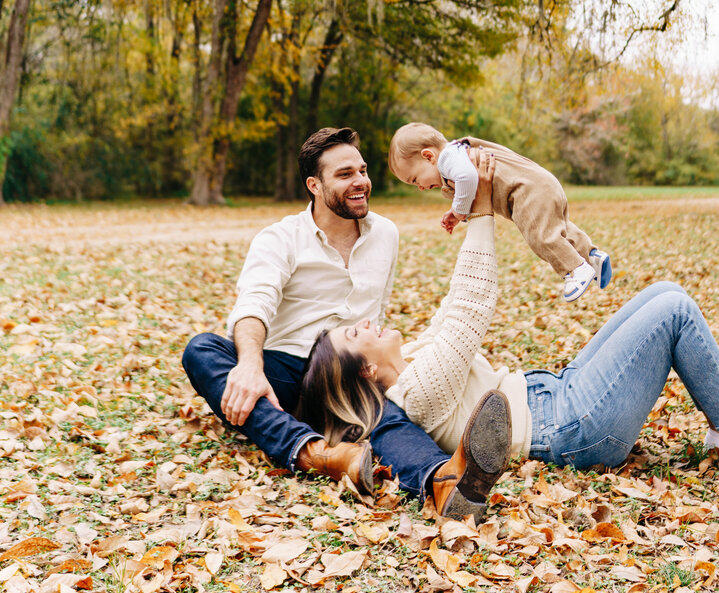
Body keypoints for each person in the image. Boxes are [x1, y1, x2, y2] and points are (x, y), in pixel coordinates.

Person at [299, 154, 719, 482]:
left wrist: (479, 199)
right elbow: (472, 309)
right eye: (354, 334)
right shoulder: (415, 393)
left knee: (665, 292)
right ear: (364, 369)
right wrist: (480, 211)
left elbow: (454, 303)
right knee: (675, 311)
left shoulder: (415, 358)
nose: (366, 323)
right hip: (572, 427)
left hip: (558, 392)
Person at [181, 126, 510, 522]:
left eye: (363, 170)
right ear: (314, 186)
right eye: (344, 175)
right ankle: (316, 453)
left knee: (384, 416)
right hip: (286, 373)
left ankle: (442, 481)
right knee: (202, 349)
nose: (361, 182)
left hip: (349, 370)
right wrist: (250, 366)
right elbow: (255, 303)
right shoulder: (280, 238)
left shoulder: (385, 233)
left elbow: (379, 310)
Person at [388, 122, 611, 302]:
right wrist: (455, 211)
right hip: (540, 184)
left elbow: (467, 178)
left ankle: (575, 270)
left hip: (527, 191)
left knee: (540, 236)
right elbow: (469, 186)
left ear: (428, 156)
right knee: (558, 229)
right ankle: (591, 256)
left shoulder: (447, 158)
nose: (419, 187)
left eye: (415, 179)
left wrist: (457, 211)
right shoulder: (458, 154)